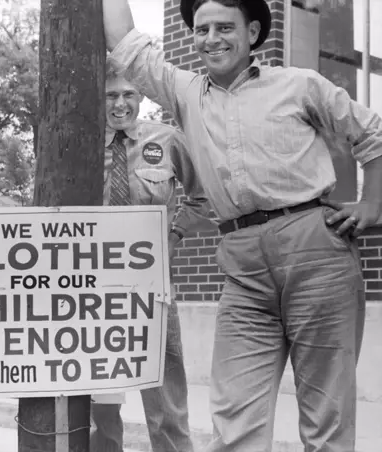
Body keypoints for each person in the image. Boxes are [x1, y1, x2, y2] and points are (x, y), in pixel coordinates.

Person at [102, 0, 382, 450]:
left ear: (252, 32)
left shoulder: (299, 84)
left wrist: (374, 202)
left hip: (316, 253)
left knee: (326, 420)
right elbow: (126, 42)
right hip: (243, 268)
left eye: (224, 27)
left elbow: (372, 133)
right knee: (235, 421)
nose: (211, 38)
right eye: (201, 29)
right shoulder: (185, 92)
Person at [90, 60, 211, 452]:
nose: (120, 104)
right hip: (94, 291)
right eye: (110, 95)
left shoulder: (169, 141)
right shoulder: (81, 145)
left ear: (141, 94)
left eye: (128, 94)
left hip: (152, 289)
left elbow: (201, 196)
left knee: (165, 400)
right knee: (102, 402)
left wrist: (174, 237)